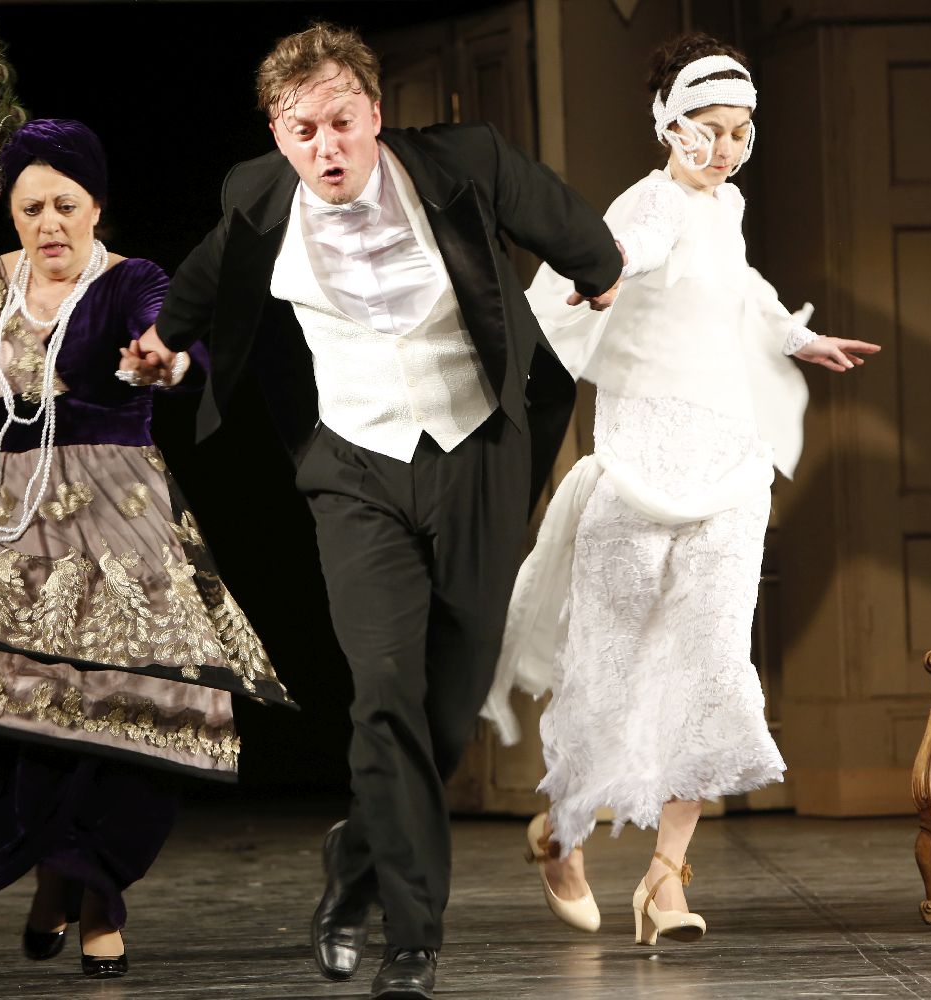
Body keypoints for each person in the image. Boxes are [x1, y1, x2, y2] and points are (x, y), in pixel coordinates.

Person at [124, 21, 620, 1000]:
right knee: (385, 686)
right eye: (303, 130)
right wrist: (167, 346)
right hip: (353, 467)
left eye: (342, 122)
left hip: (476, 452)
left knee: (447, 711)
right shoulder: (258, 197)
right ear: (279, 135)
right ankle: (411, 940)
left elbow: (561, 219)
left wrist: (597, 271)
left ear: (376, 113)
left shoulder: (462, 163)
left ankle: (357, 851)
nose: (327, 147)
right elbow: (202, 281)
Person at [0, 31, 290, 981]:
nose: (49, 224)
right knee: (29, 719)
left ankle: (97, 893)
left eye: (66, 205)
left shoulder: (131, 280)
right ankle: (58, 874)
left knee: (127, 711)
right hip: (5, 525)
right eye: (30, 208)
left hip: (118, 522)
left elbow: (175, 344)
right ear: (10, 211)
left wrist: (164, 363)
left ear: (97, 205)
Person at [482, 33, 880, 946]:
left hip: (730, 466)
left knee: (713, 666)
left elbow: (741, 289)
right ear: (669, 124)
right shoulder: (648, 204)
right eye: (709, 130)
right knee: (610, 666)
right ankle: (564, 834)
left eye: (740, 132)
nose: (725, 149)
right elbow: (626, 251)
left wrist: (798, 338)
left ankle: (666, 879)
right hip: (641, 469)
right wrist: (608, 275)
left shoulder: (726, 204)